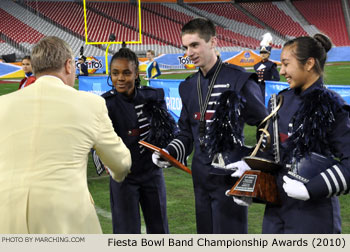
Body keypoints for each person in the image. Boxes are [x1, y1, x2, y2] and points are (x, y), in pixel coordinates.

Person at [0, 36, 131, 234]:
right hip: (64, 218)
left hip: (6, 216)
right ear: (69, 65)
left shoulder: (3, 104)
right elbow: (121, 162)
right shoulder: (90, 104)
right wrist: (116, 173)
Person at [152, 18, 268, 234]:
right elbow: (186, 133)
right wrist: (169, 151)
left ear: (213, 41)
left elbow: (266, 126)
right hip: (200, 180)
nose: (189, 52)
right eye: (185, 47)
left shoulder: (239, 80)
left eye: (195, 45)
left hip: (230, 177)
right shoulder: (187, 86)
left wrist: (250, 164)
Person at [230, 34, 350, 233]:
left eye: (286, 64)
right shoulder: (280, 102)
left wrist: (310, 189)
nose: (282, 70)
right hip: (275, 210)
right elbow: (271, 153)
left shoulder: (332, 106)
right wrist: (250, 178)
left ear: (309, 63)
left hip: (314, 214)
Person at [98, 47, 176, 234]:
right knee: (126, 233)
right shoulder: (105, 104)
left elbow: (167, 131)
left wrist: (166, 150)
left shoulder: (153, 97)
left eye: (126, 73)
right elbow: (98, 140)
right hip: (123, 178)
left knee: (159, 231)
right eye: (115, 73)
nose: (120, 78)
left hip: (152, 174)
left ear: (136, 73)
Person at [254, 33, 280, 101]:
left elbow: (277, 78)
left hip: (267, 88)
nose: (263, 54)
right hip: (257, 88)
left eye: (265, 53)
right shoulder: (256, 65)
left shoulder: (271, 65)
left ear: (269, 54)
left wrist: (267, 82)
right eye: (261, 52)